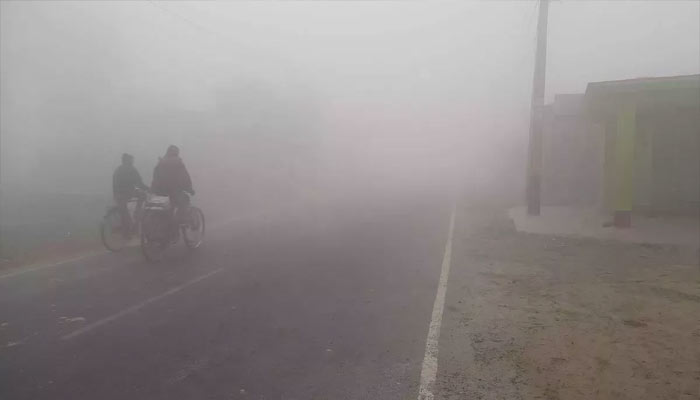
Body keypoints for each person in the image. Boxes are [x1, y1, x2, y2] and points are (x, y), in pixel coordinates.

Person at [151, 145, 195, 232]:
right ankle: (181, 220)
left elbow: (155, 178)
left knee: (166, 209)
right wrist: (189, 189)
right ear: (176, 153)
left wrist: (153, 189)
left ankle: (167, 226)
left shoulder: (160, 162)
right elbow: (184, 178)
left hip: (160, 192)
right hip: (174, 192)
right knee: (185, 200)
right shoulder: (178, 162)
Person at [112, 153, 148, 238]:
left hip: (118, 194)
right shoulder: (131, 169)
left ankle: (126, 233)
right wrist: (148, 188)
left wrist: (115, 195)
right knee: (143, 195)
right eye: (132, 160)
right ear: (129, 161)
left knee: (124, 212)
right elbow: (139, 183)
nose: (133, 162)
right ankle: (137, 212)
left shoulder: (118, 169)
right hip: (127, 193)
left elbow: (114, 184)